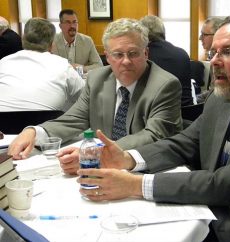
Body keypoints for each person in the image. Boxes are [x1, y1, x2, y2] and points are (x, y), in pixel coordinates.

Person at [75, 15, 230, 242]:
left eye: (228, 52)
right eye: (214, 53)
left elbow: (227, 184)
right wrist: (127, 158)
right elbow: (185, 142)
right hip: (211, 213)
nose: (214, 61)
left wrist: (136, 184)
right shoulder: (222, 98)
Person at [8, 18, 183, 173]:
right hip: (102, 172)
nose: (126, 61)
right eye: (118, 54)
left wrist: (95, 153)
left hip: (145, 170)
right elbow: (74, 119)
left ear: (145, 53)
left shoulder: (164, 85)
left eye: (133, 53)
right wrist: (34, 132)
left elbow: (154, 135)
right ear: (107, 57)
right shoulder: (97, 79)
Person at [0, 17, 85, 112]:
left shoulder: (3, 62)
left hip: (4, 123)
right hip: (47, 124)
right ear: (52, 44)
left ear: (23, 38)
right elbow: (84, 94)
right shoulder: (62, 65)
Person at [140, 15, 193, 107]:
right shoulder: (182, 53)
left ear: (142, 34)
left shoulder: (143, 56)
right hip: (187, 112)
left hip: (156, 114)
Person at [51, 9, 103, 74]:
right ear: (60, 26)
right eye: (68, 22)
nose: (72, 26)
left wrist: (81, 68)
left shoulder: (87, 41)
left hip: (81, 81)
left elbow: (99, 65)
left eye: (74, 22)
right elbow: (48, 66)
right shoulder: (52, 41)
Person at [197, 16, 224, 103]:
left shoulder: (222, 59)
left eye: (204, 34)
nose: (200, 38)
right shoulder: (212, 55)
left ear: (217, 34)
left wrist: (195, 99)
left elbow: (217, 93)